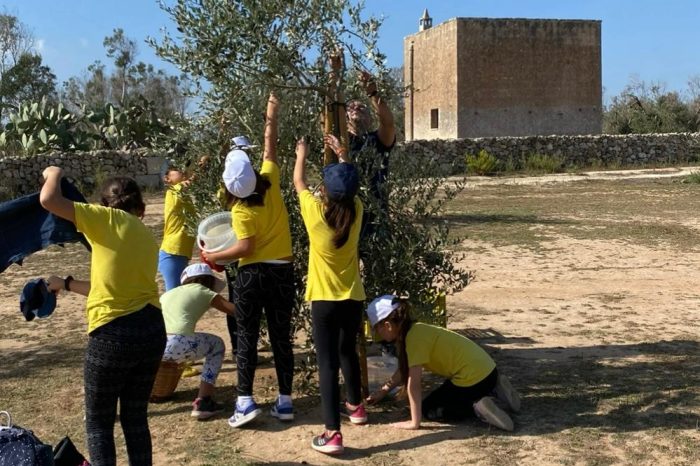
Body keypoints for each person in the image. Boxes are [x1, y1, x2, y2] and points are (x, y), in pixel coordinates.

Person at [41, 167, 166, 466]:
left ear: (102, 206)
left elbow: (48, 199)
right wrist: (66, 283)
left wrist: (53, 172)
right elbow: (106, 287)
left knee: (98, 422)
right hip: (151, 331)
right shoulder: (146, 236)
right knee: (135, 419)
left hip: (113, 335)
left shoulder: (105, 219)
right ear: (142, 209)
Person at [202, 92, 296, 428]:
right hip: (284, 272)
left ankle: (245, 400)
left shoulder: (239, 209)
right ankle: (285, 401)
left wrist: (213, 255)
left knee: (246, 336)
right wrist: (271, 108)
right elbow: (269, 145)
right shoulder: (270, 180)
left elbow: (244, 247)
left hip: (251, 276)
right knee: (281, 337)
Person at [293, 137, 366, 455]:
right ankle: (357, 408)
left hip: (323, 299)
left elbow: (298, 182)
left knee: (327, 362)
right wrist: (343, 153)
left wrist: (301, 154)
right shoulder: (357, 210)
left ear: (324, 190)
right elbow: (348, 188)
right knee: (348, 351)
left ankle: (332, 434)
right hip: (352, 296)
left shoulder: (314, 213)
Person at [364, 295, 521, 432]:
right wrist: (383, 391)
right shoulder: (418, 330)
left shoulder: (412, 340)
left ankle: (478, 407)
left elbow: (414, 383)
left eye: (376, 329)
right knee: (440, 396)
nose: (377, 334)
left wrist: (414, 422)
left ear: (388, 325)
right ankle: (495, 388)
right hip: (489, 371)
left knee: (430, 409)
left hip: (473, 380)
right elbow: (403, 370)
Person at [159, 262, 236, 420]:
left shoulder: (169, 294)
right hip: (177, 341)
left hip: (155, 343)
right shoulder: (204, 291)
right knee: (217, 345)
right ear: (209, 281)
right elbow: (234, 311)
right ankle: (204, 402)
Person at [345, 70, 396, 238]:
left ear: (371, 117)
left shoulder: (378, 140)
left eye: (362, 107)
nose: (356, 108)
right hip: (346, 216)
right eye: (351, 107)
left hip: (376, 218)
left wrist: (372, 93)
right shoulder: (341, 141)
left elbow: (388, 122)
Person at [158, 162, 196, 291]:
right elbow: (190, 181)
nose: (181, 171)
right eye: (176, 170)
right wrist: (203, 163)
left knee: (178, 294)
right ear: (167, 179)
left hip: (180, 253)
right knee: (174, 295)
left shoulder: (184, 196)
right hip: (172, 253)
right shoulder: (173, 191)